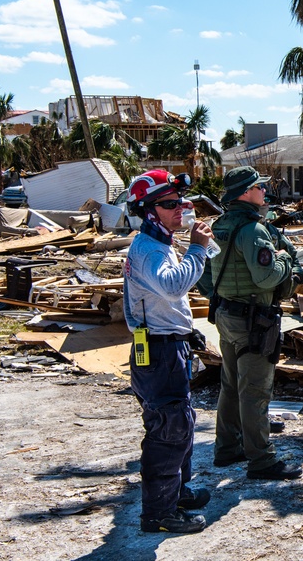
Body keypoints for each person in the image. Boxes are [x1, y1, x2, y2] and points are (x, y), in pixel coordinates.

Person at [123, 170, 213, 534]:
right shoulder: (148, 250)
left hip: (167, 347)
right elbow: (173, 287)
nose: (180, 209)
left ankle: (175, 492)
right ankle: (159, 513)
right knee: (168, 428)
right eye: (170, 204)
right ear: (149, 211)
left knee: (180, 423)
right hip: (157, 351)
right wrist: (197, 249)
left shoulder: (159, 245)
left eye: (181, 202)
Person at [202, 166, 303, 480]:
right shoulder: (253, 231)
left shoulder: (217, 226)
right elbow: (267, 276)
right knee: (255, 391)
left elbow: (205, 280)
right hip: (254, 321)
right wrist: (286, 261)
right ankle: (261, 460)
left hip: (225, 316)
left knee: (231, 386)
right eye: (259, 186)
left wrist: (228, 296)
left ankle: (227, 447)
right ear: (246, 193)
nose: (264, 191)